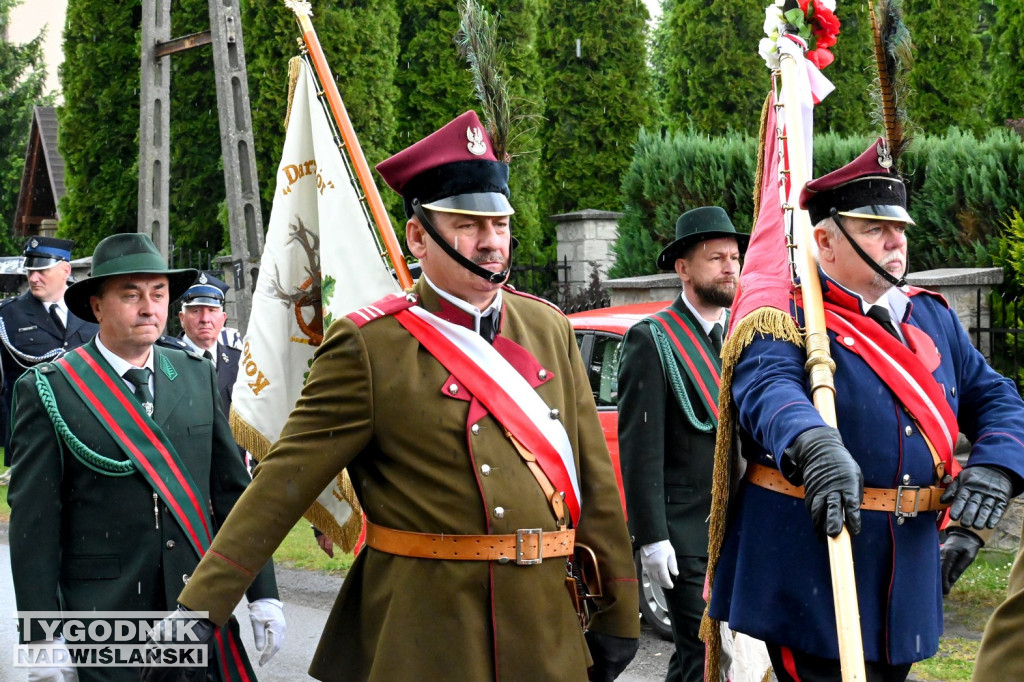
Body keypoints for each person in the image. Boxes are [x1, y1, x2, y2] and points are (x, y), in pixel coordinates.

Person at [149, 110, 640, 681]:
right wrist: (197, 612)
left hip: (546, 631)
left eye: (499, 227)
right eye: (466, 226)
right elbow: (283, 483)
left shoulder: (548, 328)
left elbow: (594, 482)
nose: (489, 244)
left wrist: (619, 612)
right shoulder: (370, 345)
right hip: (425, 635)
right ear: (417, 236)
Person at [707, 138, 1024, 681]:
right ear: (825, 240)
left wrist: (996, 466)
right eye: (876, 229)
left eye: (900, 229)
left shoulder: (931, 318)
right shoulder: (783, 315)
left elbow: (997, 397)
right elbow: (768, 391)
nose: (896, 242)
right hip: (813, 575)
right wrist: (813, 443)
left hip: (905, 580)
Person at [7, 233, 285, 682]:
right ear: (97, 306)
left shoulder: (196, 376)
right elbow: (34, 524)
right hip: (104, 625)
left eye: (158, 293)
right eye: (131, 295)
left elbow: (233, 494)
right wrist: (41, 637)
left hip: (194, 611)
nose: (149, 308)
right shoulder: (51, 388)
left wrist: (263, 593)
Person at [618, 206, 745, 682]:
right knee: (704, 655)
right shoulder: (653, 339)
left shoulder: (743, 334)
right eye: (716, 258)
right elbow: (640, 449)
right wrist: (652, 537)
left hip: (740, 526)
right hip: (685, 535)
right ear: (684, 268)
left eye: (734, 257)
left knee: (712, 658)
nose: (729, 267)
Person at [0, 236, 98, 466]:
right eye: (30, 271)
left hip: (89, 430)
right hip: (32, 434)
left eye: (42, 270)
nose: (34, 278)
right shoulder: (8, 315)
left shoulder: (93, 309)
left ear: (66, 269)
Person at [177, 273, 240, 416]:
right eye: (196, 311)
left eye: (212, 311)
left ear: (223, 318)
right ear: (182, 318)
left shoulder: (239, 361)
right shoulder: (163, 359)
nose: (205, 319)